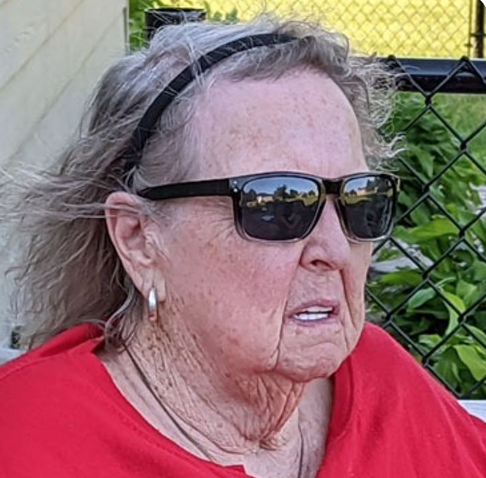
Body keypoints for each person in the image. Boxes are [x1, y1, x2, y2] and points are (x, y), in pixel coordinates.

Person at [0, 16, 485, 478]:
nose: (336, 249)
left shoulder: (381, 382)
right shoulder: (27, 444)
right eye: (278, 205)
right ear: (138, 238)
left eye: (360, 199)